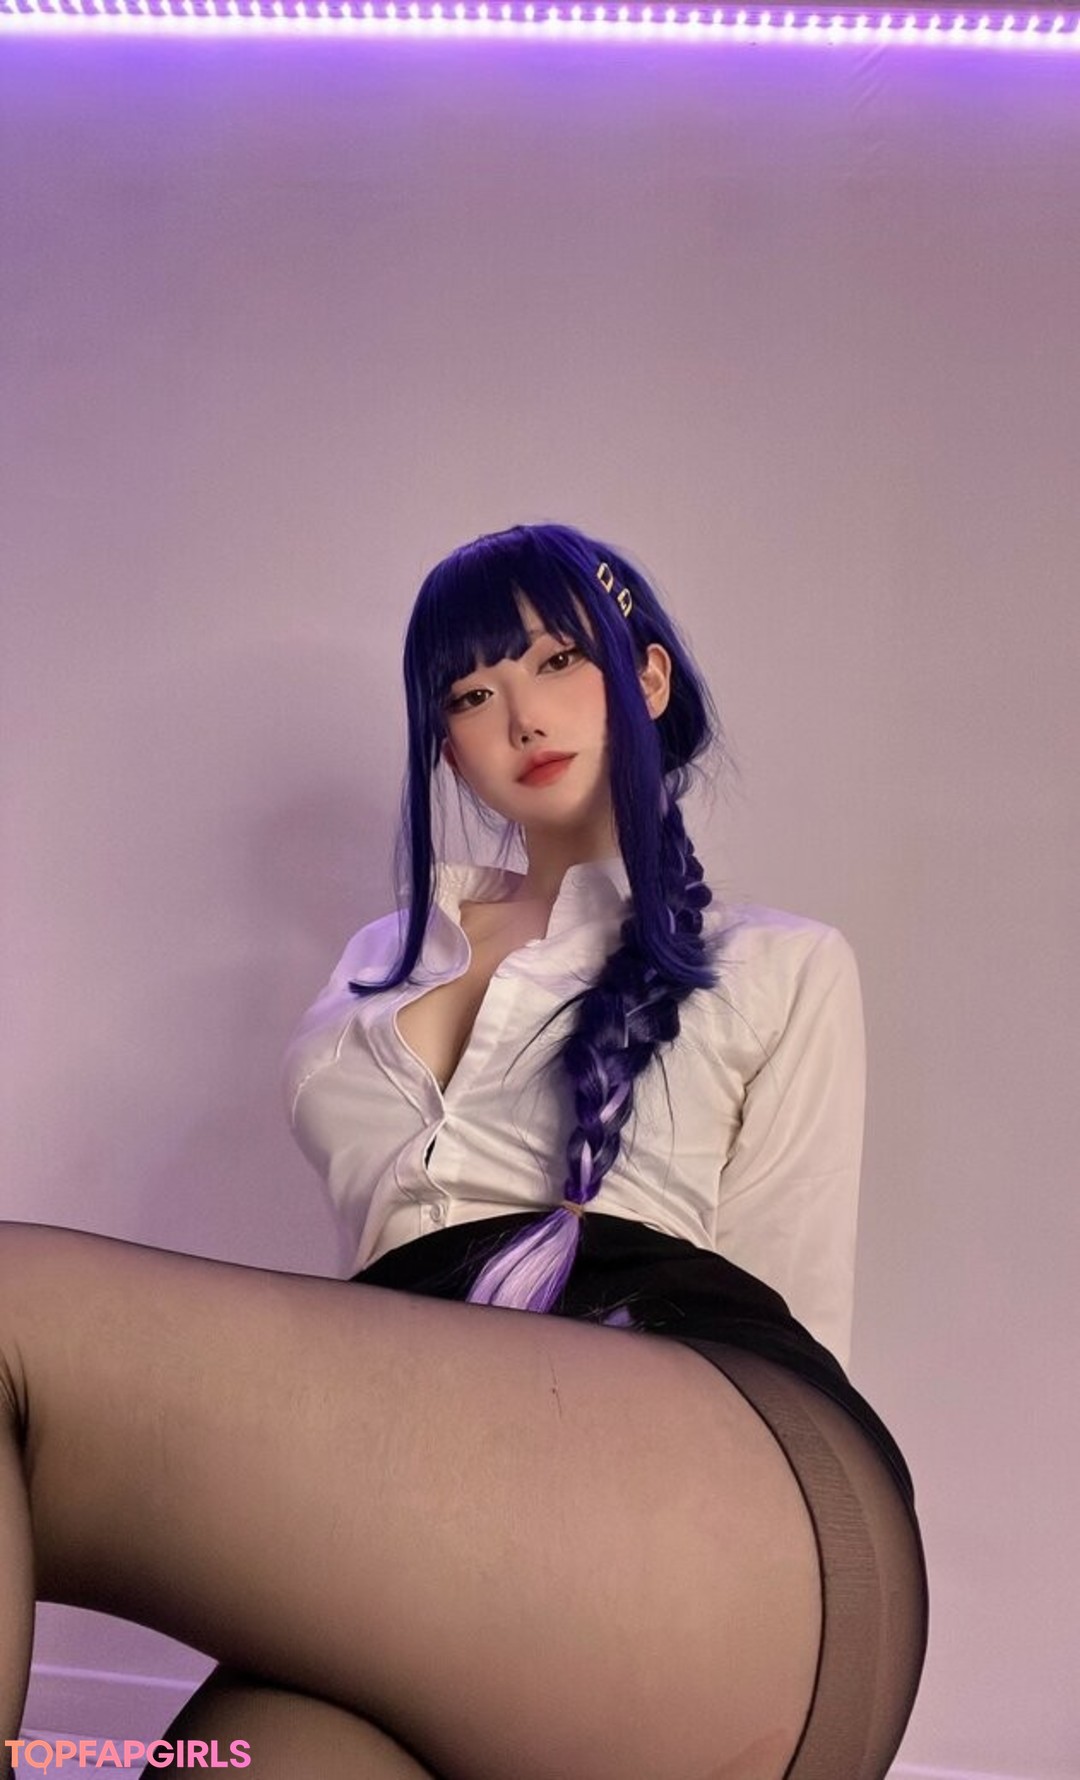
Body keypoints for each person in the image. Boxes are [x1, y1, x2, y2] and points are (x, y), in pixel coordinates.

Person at [0, 521, 928, 1780]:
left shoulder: (778, 961)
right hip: (448, 1511)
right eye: (472, 693)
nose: (522, 715)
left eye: (558, 661)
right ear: (446, 745)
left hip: (724, 1527)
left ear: (648, 678)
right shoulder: (381, 958)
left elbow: (792, 1313)